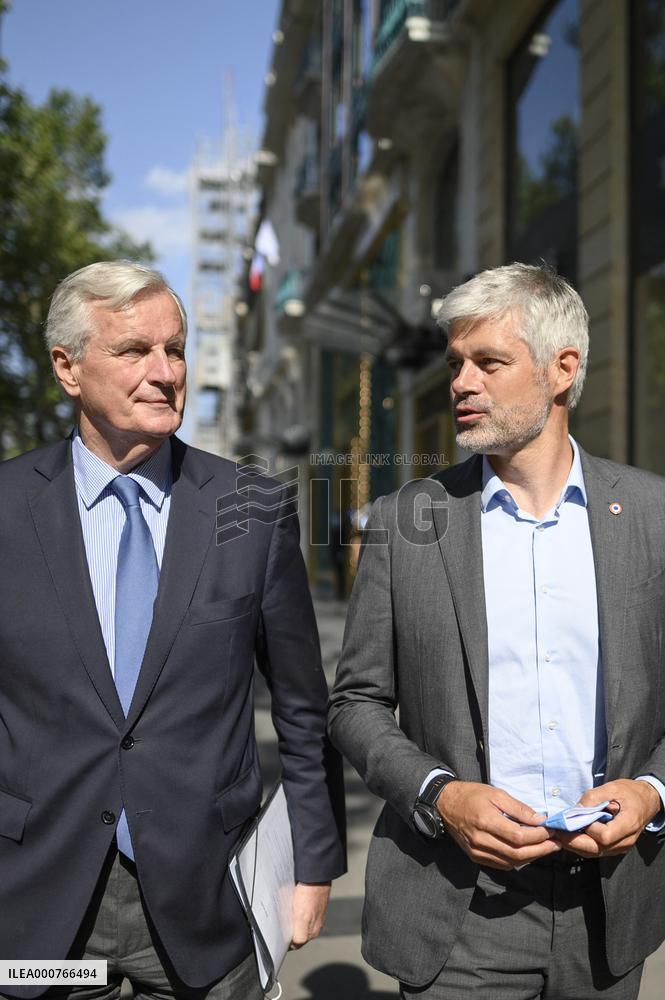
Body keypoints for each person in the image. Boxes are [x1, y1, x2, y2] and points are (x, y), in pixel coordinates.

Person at [0, 261, 346, 1000]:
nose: (165, 372)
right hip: (39, 904)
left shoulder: (252, 506)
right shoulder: (3, 510)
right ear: (67, 368)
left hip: (204, 901)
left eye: (176, 350)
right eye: (133, 351)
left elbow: (302, 710)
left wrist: (313, 862)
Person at [328, 263, 665, 1000]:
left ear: (560, 370)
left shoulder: (650, 516)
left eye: (488, 361)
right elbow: (353, 703)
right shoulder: (404, 522)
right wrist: (440, 794)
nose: (460, 382)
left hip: (607, 912)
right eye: (455, 363)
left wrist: (649, 790)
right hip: (458, 914)